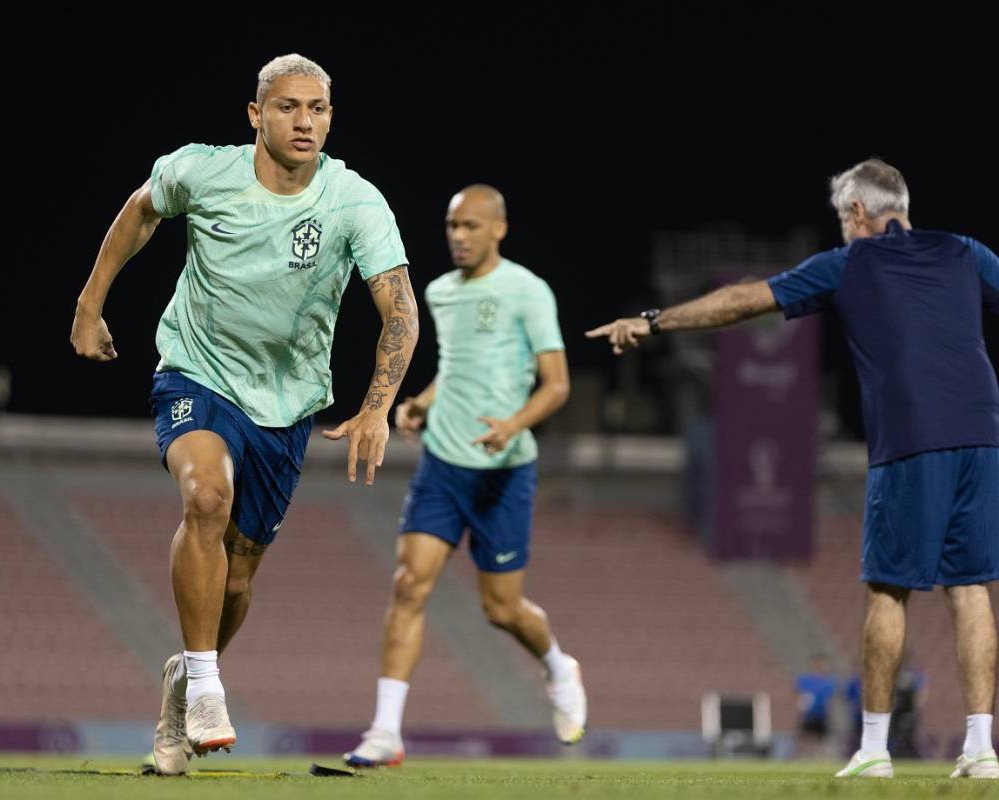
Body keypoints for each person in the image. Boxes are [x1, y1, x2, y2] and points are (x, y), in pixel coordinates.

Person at [587, 159, 999, 779]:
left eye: (842, 219)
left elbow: (742, 301)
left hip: (913, 433)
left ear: (858, 213)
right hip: (982, 430)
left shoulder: (852, 262)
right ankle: (981, 749)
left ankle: (875, 750)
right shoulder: (965, 251)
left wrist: (654, 322)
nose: (841, 230)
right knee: (970, 589)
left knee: (889, 588)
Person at [69, 54, 418, 775]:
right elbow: (141, 210)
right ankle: (205, 683)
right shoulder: (201, 171)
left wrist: (377, 406)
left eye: (318, 109)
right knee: (205, 497)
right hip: (196, 372)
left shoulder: (354, 201)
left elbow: (400, 309)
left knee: (237, 576)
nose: (305, 122)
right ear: (256, 114)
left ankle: (185, 678)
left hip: (285, 405)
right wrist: (89, 302)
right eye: (289, 107)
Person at [344, 185, 585, 768]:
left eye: (471, 226)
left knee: (501, 609)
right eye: (453, 225)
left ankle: (558, 665)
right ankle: (385, 732)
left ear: (499, 229)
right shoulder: (440, 292)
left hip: (504, 471)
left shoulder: (528, 291)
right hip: (444, 465)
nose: (458, 236)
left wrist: (513, 425)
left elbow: (556, 384)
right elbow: (456, 367)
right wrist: (423, 402)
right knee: (408, 585)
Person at [795, 654, 837, 757]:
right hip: (808, 715)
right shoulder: (804, 680)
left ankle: (819, 758)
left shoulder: (828, 682)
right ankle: (802, 757)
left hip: (821, 715)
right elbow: (798, 696)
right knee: (804, 738)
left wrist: (829, 713)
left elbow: (831, 700)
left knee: (821, 740)